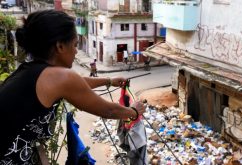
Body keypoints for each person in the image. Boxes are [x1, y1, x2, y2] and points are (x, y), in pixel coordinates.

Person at [0, 10, 145, 164]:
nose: (76, 51)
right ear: (60, 46)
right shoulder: (59, 78)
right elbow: (108, 110)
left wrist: (109, 81)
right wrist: (134, 111)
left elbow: (77, 85)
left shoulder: (32, 70)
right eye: (75, 45)